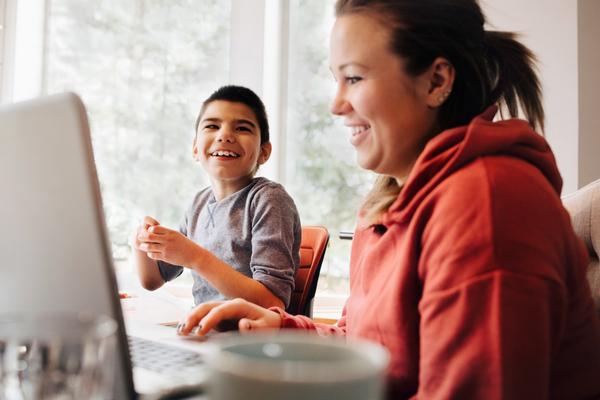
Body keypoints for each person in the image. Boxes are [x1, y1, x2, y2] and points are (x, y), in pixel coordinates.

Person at [179, 1, 600, 398]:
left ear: (436, 81)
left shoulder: (488, 203)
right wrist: (277, 329)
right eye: (335, 79)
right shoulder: (386, 206)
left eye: (355, 78)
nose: (336, 105)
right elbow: (365, 344)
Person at [132, 85, 301, 309]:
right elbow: (152, 281)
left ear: (264, 152)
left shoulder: (269, 200)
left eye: (242, 128)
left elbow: (272, 303)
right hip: (204, 332)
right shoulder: (198, 205)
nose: (225, 135)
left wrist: (196, 257)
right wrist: (142, 243)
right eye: (212, 125)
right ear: (195, 148)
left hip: (246, 339)